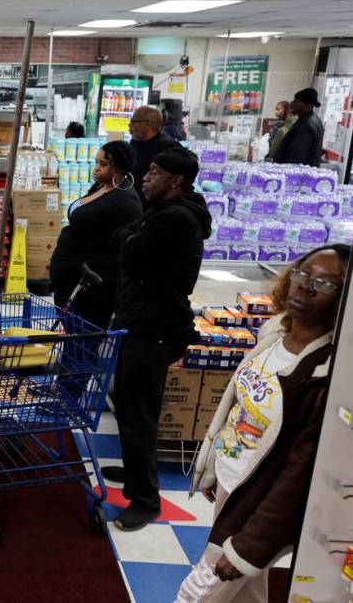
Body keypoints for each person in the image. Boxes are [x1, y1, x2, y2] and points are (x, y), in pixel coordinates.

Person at [177, 244, 349, 603]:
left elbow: (296, 477)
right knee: (246, 595)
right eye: (302, 273)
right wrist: (216, 467)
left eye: (325, 283)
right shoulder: (273, 333)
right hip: (233, 481)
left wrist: (249, 549)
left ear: (345, 297)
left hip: (257, 502)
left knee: (198, 593)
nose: (304, 286)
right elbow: (238, 406)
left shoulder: (327, 377)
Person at [103, 146, 213, 531]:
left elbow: (130, 253)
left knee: (139, 417)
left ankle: (146, 501)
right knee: (127, 407)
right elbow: (122, 237)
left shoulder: (177, 219)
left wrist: (132, 239)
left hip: (156, 330)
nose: (145, 177)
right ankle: (135, 474)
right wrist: (132, 237)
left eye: (154, 171)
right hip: (140, 323)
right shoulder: (160, 214)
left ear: (176, 180)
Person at [49, 141, 142, 329]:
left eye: (103, 164)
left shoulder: (126, 202)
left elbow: (121, 246)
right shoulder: (102, 187)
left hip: (91, 287)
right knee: (72, 342)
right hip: (71, 281)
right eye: (96, 162)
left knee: (83, 345)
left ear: (119, 167)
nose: (96, 168)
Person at [129, 106, 179, 203]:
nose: (129, 126)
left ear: (147, 124)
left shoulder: (168, 147)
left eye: (133, 122)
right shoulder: (135, 142)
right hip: (134, 201)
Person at [272, 88, 324, 167]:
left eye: (296, 101)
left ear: (307, 105)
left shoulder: (306, 124)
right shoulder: (312, 119)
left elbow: (297, 155)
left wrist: (288, 173)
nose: (292, 103)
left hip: (296, 175)